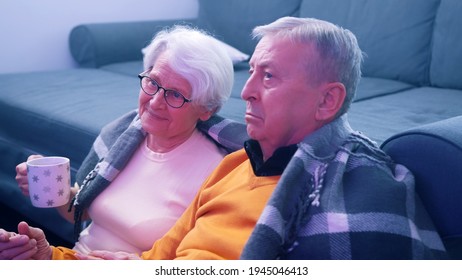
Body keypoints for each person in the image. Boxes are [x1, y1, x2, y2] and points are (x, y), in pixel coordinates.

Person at [2, 16, 447, 260]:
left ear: (328, 102)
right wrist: (49, 259)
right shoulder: (235, 167)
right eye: (250, 71)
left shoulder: (357, 189)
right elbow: (156, 261)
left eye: (268, 76)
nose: (248, 90)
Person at [0, 25, 247, 260]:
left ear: (207, 109)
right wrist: (53, 192)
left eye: (174, 94)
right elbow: (79, 212)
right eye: (153, 82)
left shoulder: (217, 172)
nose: (155, 102)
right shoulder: (121, 137)